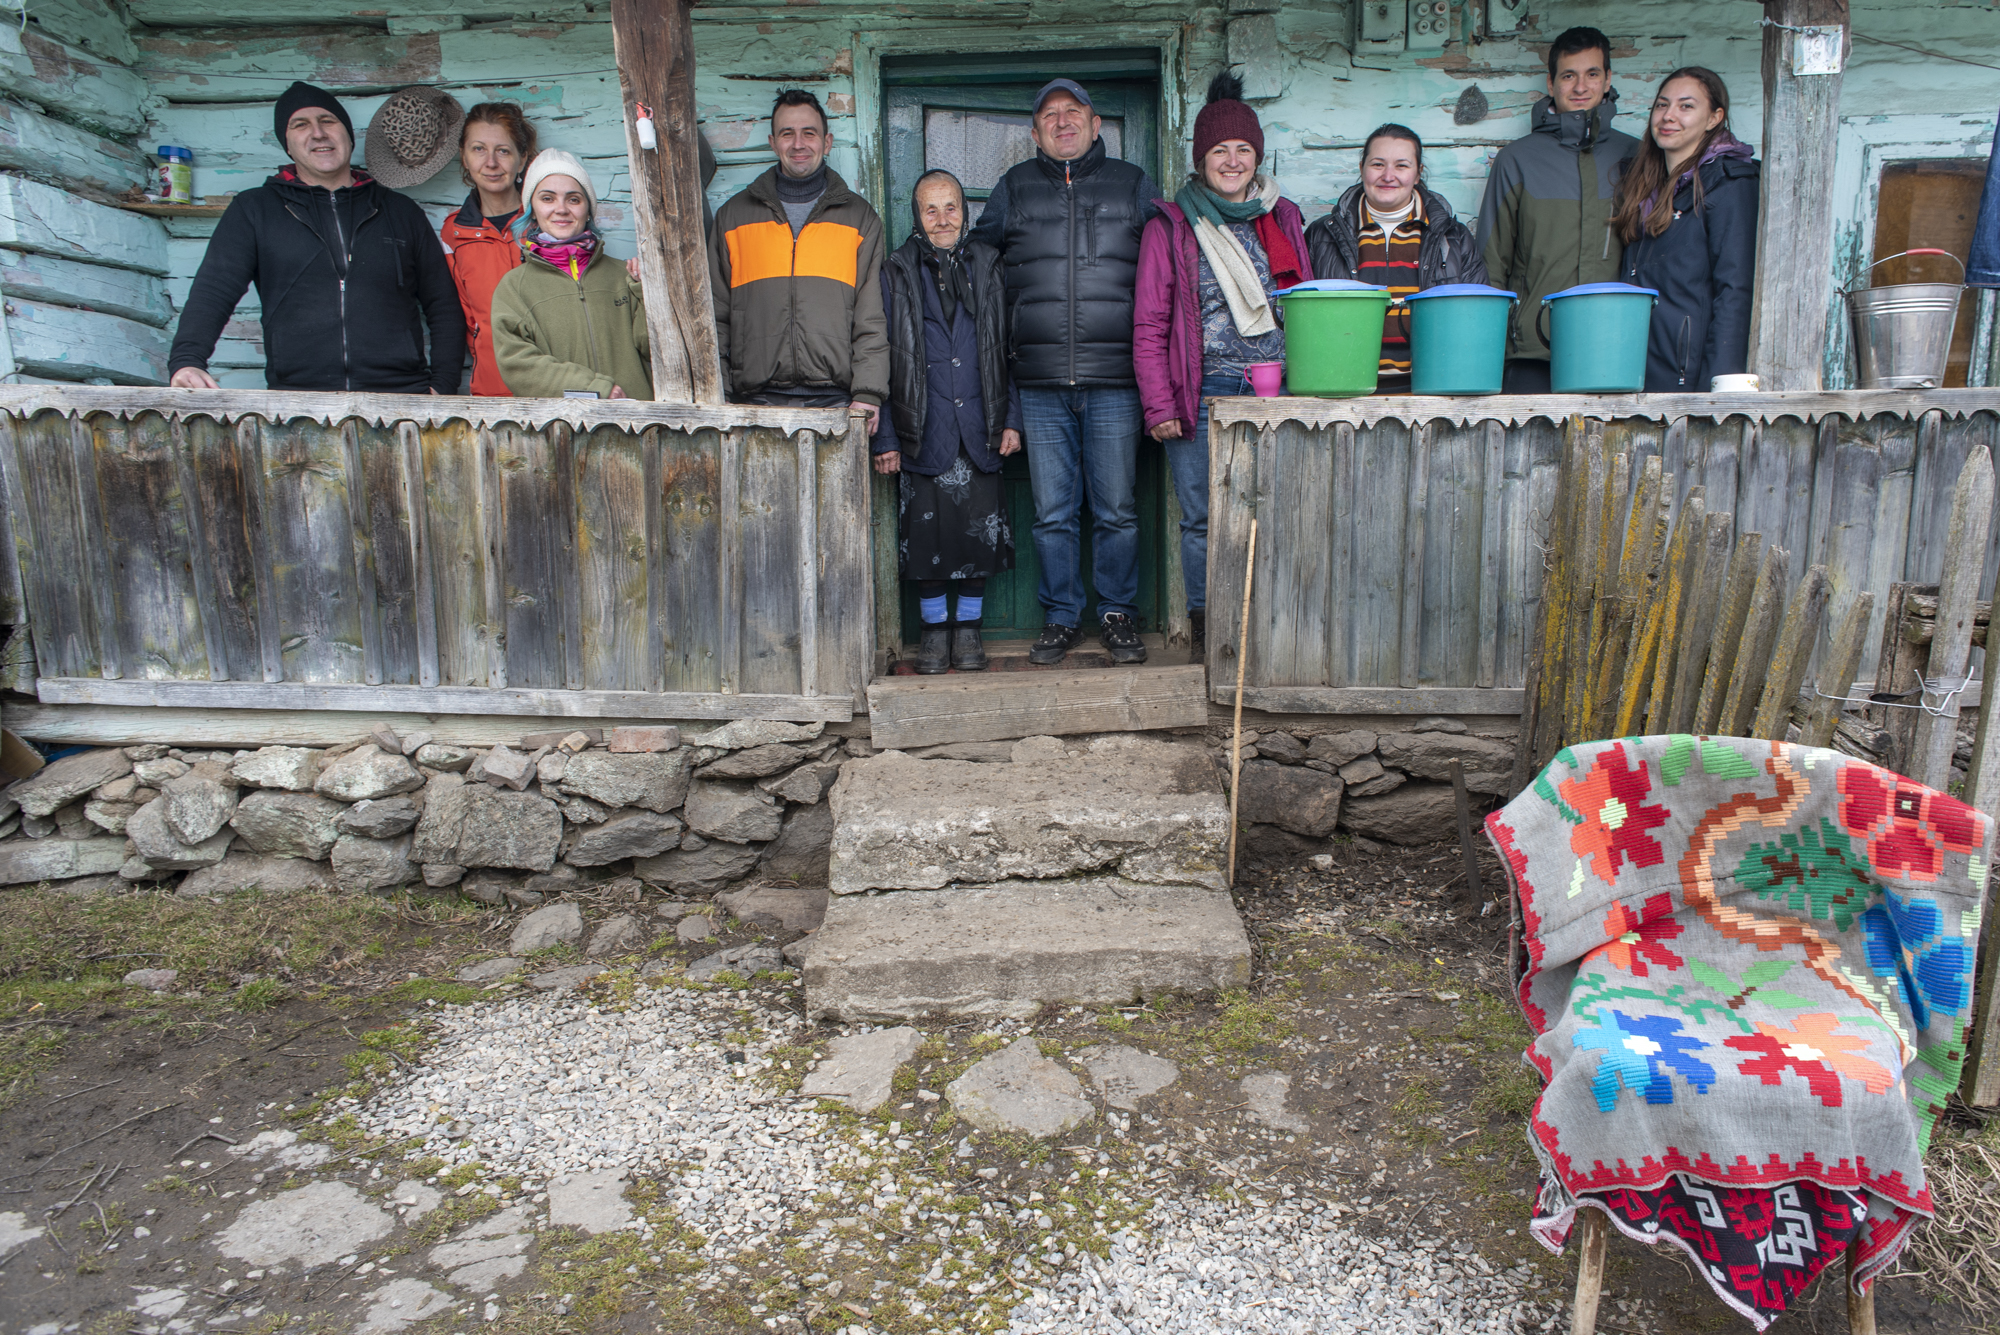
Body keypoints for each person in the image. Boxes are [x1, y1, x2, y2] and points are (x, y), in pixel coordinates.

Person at [971, 78, 1164, 666]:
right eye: (1050, 115)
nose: (1062, 122)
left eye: (1072, 111)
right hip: (1039, 382)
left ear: (1095, 123)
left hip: (1116, 380)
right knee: (1052, 515)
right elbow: (977, 262)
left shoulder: (1132, 184)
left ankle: (1117, 613)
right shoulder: (1014, 187)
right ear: (1035, 134)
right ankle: (1061, 616)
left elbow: (1168, 266)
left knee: (1116, 510)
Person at [1134, 74, 1309, 664]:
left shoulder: (1282, 216)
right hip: (1201, 389)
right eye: (1219, 151)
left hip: (1274, 391)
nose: (1232, 161)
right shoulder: (1172, 226)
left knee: (1272, 510)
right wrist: (1159, 405)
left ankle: (1264, 630)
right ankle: (1210, 633)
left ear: (1257, 156)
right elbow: (1150, 323)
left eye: (1242, 150)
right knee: (1204, 518)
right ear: (1200, 159)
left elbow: (1302, 305)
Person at [168, 82, 464, 394]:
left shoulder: (400, 211)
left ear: (348, 135)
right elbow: (214, 289)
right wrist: (187, 360)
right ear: (287, 144)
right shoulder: (255, 209)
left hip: (401, 397)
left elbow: (443, 304)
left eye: (328, 121)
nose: (318, 133)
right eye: (300, 125)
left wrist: (443, 385)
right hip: (297, 400)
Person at [871, 170, 1022, 674]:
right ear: (917, 216)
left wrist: (1012, 418)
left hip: (981, 422)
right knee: (928, 539)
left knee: (977, 534)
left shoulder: (989, 265)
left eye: (951, 207)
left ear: (965, 211)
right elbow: (881, 354)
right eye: (930, 209)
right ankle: (934, 634)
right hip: (922, 425)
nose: (942, 219)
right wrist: (886, 436)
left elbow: (1009, 348)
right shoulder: (896, 271)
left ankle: (969, 631)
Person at [1475, 26, 1639, 394]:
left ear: (1608, 79)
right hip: (1532, 352)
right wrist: (1488, 355)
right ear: (1551, 83)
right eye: (1568, 76)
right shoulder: (1517, 160)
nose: (1580, 86)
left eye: (1592, 74)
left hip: (1616, 347)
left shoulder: (1636, 157)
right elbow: (1491, 264)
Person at [709, 89, 887, 429]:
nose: (798, 144)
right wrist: (719, 392)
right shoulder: (733, 217)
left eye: (809, 133)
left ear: (827, 142)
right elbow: (715, 315)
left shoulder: (859, 218)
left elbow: (872, 316)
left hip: (838, 402)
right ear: (773, 143)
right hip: (753, 402)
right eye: (787, 133)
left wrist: (868, 392)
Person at [1305, 123, 1485, 391]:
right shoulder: (1321, 235)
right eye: (1378, 164)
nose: (1388, 176)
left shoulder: (1454, 237)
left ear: (1418, 173)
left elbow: (1477, 319)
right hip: (1342, 385)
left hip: (1432, 387)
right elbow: (1302, 319)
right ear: (1362, 168)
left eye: (1401, 166)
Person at [1614, 68, 1759, 393]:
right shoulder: (1644, 186)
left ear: (1714, 118)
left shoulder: (1729, 183)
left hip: (1691, 381)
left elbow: (1735, 290)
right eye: (1662, 105)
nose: (1669, 116)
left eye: (1686, 106)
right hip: (1639, 375)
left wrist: (1719, 389)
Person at [489, 151, 652, 400]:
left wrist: (647, 292)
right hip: (563, 424)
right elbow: (517, 366)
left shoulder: (625, 276)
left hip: (635, 420)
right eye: (547, 198)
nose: (561, 209)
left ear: (588, 210)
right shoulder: (514, 288)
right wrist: (592, 388)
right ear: (532, 210)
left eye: (573, 199)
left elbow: (655, 349)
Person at [439, 104, 538, 396]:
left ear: (522, 159)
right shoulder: (454, 233)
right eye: (479, 149)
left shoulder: (548, 222)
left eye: (503, 151)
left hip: (556, 388)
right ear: (464, 156)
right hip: (491, 390)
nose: (491, 162)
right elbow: (463, 317)